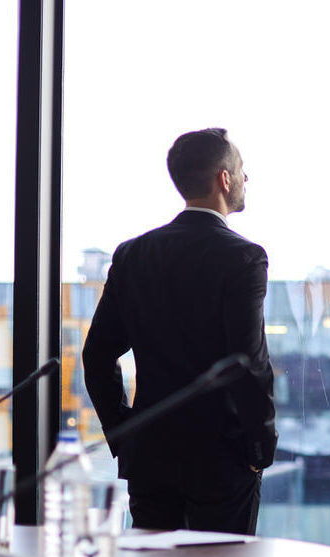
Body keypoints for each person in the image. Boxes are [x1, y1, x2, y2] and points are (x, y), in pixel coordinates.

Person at [82, 127, 277, 534]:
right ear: (224, 179)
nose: (246, 179)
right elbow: (248, 363)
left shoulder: (133, 254)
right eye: (241, 171)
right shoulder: (243, 257)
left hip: (150, 456)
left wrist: (124, 432)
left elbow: (97, 355)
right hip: (221, 457)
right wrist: (260, 447)